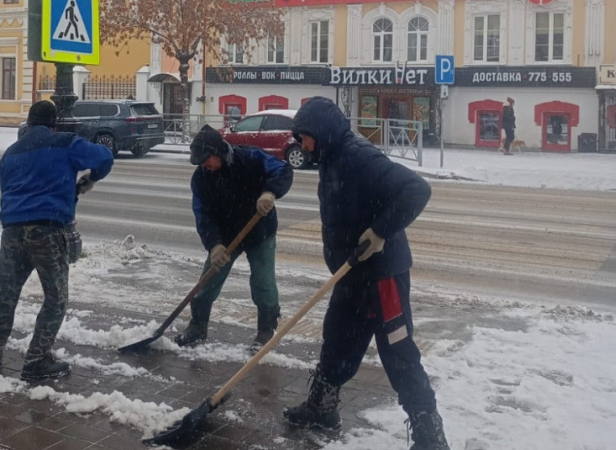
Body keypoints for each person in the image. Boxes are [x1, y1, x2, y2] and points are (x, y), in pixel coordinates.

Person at [284, 97, 449, 450]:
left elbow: (416, 189)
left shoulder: (359, 157)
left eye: (305, 137)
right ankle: (322, 408)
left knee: (398, 352)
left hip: (382, 276)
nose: (302, 145)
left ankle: (429, 433)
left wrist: (380, 232)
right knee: (337, 339)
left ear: (322, 131)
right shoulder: (329, 156)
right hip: (352, 274)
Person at [0, 101, 114, 381]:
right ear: (53, 125)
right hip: (48, 230)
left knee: (5, 294)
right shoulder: (64, 142)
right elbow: (104, 157)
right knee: (55, 298)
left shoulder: (10, 153)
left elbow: (9, 190)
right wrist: (90, 178)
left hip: (13, 231)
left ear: (28, 124)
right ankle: (37, 360)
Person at [174, 124, 294, 348]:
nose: (204, 165)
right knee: (208, 280)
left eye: (206, 159)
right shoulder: (201, 178)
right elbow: (203, 215)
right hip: (226, 236)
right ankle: (197, 325)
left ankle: (266, 329)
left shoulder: (249, 157)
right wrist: (214, 245)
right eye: (200, 162)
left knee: (263, 282)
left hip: (260, 230)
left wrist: (270, 191)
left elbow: (283, 170)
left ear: (217, 152)